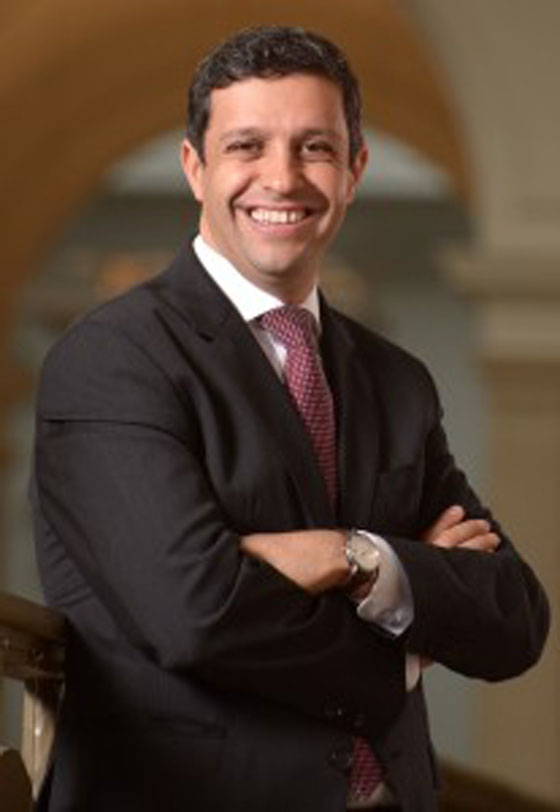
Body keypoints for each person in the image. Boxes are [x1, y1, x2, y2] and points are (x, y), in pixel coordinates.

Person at [31, 25, 549, 812]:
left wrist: (359, 559)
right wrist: (403, 638)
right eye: (246, 146)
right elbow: (195, 611)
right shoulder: (113, 360)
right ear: (195, 167)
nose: (281, 178)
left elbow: (513, 616)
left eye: (315, 148)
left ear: (354, 170)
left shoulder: (396, 381)